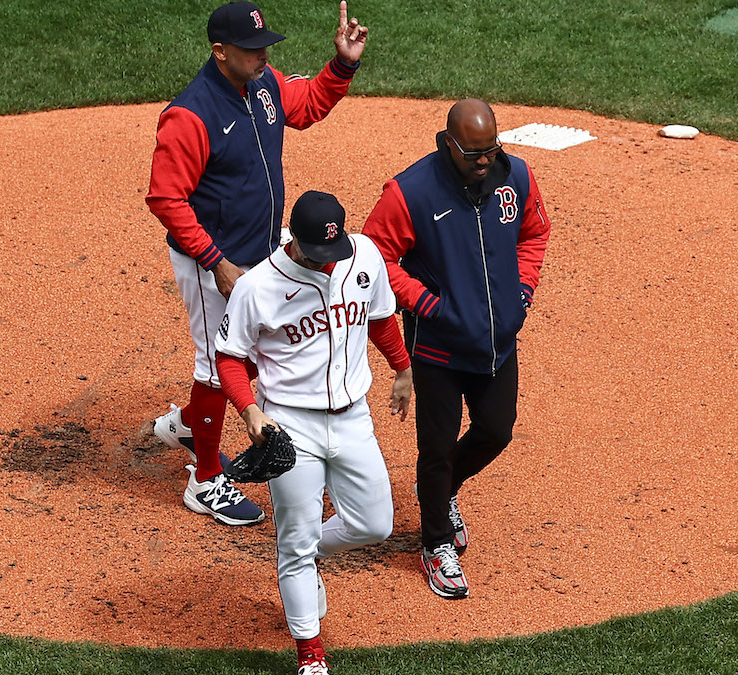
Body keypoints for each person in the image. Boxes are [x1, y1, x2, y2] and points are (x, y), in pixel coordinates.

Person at [145, 1, 368, 526]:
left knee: (258, 353)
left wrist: (342, 65)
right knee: (218, 364)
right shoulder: (189, 115)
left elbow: (308, 104)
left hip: (262, 250)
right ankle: (204, 479)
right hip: (212, 263)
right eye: (251, 49)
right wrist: (215, 261)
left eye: (265, 44)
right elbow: (166, 199)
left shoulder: (264, 86)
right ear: (220, 52)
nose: (263, 54)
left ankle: (187, 423)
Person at [361, 99, 551, 600]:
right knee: (437, 449)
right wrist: (425, 303)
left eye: (492, 149)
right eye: (473, 153)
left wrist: (522, 292)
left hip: (497, 343)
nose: (485, 161)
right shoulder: (412, 191)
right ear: (447, 143)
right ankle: (435, 543)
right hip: (439, 348)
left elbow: (534, 233)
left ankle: (440, 496)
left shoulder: (517, 177)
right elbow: (374, 255)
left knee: (496, 431)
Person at [216, 191, 411, 675]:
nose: (327, 263)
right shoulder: (258, 286)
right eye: (316, 253)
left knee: (374, 525)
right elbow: (229, 357)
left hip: (353, 417)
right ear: (295, 242)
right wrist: (248, 412)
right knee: (294, 541)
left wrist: (402, 369)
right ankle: (311, 656)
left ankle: (306, 553)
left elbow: (382, 318)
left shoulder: (362, 253)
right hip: (290, 424)